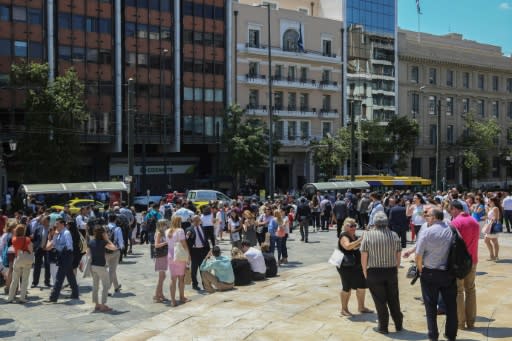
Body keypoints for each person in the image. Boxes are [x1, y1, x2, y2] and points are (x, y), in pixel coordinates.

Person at [416, 208, 457, 341]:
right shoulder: (451, 229)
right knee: (451, 306)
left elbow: (418, 255)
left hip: (430, 273)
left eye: (427, 215)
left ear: (434, 217)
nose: (426, 217)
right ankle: (451, 335)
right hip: (448, 272)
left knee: (430, 306)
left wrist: (420, 269)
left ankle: (433, 336)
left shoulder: (427, 231)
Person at [360, 212, 403, 334]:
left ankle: (383, 327)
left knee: (380, 300)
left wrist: (364, 271)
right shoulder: (394, 235)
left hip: (374, 271)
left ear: (374, 223)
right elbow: (398, 253)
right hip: (391, 270)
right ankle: (398, 324)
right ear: (386, 222)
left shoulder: (368, 235)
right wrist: (397, 267)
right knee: (394, 298)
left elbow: (364, 255)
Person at [450, 200, 479, 330]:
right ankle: (471, 322)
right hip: (473, 260)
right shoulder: (474, 221)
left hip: (459, 263)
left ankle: (460, 323)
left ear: (454, 209)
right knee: (471, 290)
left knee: (459, 291)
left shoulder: (455, 223)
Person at [337, 218, 373, 316]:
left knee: (362, 286)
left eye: (354, 225)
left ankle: (361, 307)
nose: (353, 227)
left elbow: (358, 247)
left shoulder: (354, 236)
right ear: (345, 226)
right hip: (345, 266)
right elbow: (347, 246)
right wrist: (361, 239)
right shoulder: (344, 236)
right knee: (346, 287)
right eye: (350, 225)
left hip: (357, 265)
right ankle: (344, 309)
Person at [46, 218, 80, 303]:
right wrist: (54, 236)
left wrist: (61, 249)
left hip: (66, 256)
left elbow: (69, 246)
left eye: (57, 223)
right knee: (70, 276)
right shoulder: (59, 233)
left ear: (62, 224)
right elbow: (52, 244)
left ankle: (53, 297)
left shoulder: (66, 233)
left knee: (59, 277)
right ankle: (75, 294)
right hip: (63, 256)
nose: (56, 225)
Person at [88, 225, 117, 312]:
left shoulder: (91, 242)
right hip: (101, 266)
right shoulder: (103, 242)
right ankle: (103, 305)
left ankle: (97, 304)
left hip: (93, 266)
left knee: (95, 285)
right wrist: (107, 239)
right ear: (103, 233)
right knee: (106, 285)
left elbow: (87, 253)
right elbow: (114, 248)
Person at [166, 215, 191, 306]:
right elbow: (184, 244)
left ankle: (173, 301)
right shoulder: (180, 231)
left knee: (173, 279)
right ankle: (181, 297)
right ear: (179, 222)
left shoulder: (167, 231)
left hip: (170, 255)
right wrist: (188, 255)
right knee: (181, 278)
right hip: (179, 256)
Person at [7, 224, 34, 303]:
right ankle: (22, 298)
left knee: (14, 280)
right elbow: (31, 250)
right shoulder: (27, 239)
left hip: (18, 259)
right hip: (26, 261)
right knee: (25, 280)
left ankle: (10, 298)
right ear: (24, 231)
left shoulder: (14, 239)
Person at [185, 215, 209, 291]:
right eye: (196, 220)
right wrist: (187, 235)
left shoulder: (202, 228)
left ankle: (205, 284)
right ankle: (195, 284)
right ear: (193, 221)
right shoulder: (189, 229)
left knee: (203, 269)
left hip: (203, 250)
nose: (198, 221)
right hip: (194, 251)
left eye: (199, 220)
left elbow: (206, 240)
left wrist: (208, 251)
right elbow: (186, 240)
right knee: (194, 269)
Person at [31, 215, 51, 288]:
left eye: (45, 221)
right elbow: (34, 239)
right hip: (39, 249)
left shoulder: (51, 229)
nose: (43, 222)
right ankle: (35, 282)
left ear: (48, 221)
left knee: (47, 265)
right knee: (37, 266)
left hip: (47, 250)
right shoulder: (38, 228)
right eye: (43, 221)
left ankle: (47, 282)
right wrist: (35, 247)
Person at [106, 215, 123, 295]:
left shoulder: (104, 228)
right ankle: (106, 289)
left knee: (112, 269)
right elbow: (120, 241)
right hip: (115, 250)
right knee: (112, 270)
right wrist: (121, 248)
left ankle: (116, 286)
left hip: (105, 251)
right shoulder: (117, 229)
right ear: (115, 220)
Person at [153, 219, 169, 303]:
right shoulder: (159, 233)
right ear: (161, 225)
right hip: (160, 256)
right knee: (161, 277)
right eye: (165, 224)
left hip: (163, 256)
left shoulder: (162, 233)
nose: (166, 226)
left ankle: (160, 294)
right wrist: (166, 243)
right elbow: (156, 245)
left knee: (163, 276)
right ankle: (156, 295)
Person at [483, 196, 502, 261]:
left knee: (493, 241)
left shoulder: (495, 208)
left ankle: (495, 256)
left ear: (493, 201)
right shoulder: (490, 208)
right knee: (490, 240)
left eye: (489, 201)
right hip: (490, 225)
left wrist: (489, 220)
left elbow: (496, 218)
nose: (488, 201)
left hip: (493, 226)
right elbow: (490, 217)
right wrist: (486, 218)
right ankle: (493, 256)